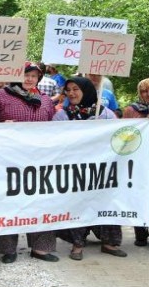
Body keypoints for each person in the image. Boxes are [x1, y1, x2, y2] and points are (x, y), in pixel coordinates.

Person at [0, 62, 59, 263]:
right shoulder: (0, 96)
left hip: (38, 162)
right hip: (7, 160)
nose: (29, 79)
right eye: (26, 74)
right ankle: (8, 249)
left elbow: (54, 131)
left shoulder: (46, 101)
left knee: (41, 202)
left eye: (34, 76)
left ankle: (41, 248)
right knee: (8, 202)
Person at [53, 77, 126, 260]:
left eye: (76, 89)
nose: (71, 93)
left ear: (87, 91)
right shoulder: (63, 115)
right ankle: (77, 244)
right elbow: (54, 140)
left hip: (102, 170)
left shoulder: (105, 114)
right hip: (75, 170)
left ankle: (109, 242)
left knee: (107, 202)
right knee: (78, 205)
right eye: (68, 90)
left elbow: (118, 138)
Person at [123, 78, 149, 246]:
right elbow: (124, 135)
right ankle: (140, 233)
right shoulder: (131, 110)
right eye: (144, 91)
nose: (148, 94)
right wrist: (146, 121)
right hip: (138, 160)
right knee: (138, 194)